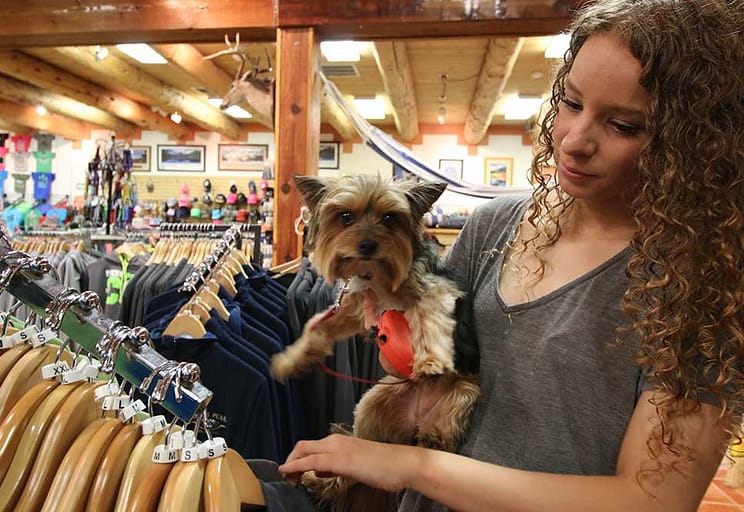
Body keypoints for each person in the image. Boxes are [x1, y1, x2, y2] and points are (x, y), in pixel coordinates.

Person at [278, 0, 744, 510]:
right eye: (570, 102)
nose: (574, 140)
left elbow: (652, 501)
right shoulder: (495, 225)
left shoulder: (703, 287)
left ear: (693, 141)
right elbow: (419, 361)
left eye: (623, 126)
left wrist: (412, 465)